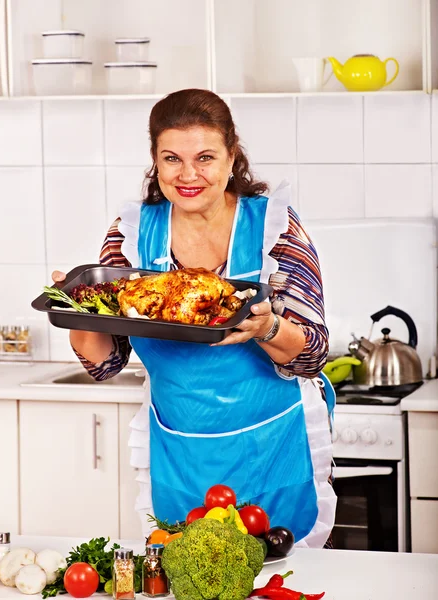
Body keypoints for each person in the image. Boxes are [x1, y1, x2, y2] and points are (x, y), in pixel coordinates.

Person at [53, 88, 336, 548]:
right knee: (188, 578)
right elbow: (105, 363)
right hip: (179, 452)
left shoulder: (273, 228)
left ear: (231, 158)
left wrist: (266, 327)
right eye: (172, 159)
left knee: (280, 580)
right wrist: (79, 310)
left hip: (273, 449)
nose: (188, 175)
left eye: (205, 157)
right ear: (155, 162)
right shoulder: (130, 236)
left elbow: (313, 354)